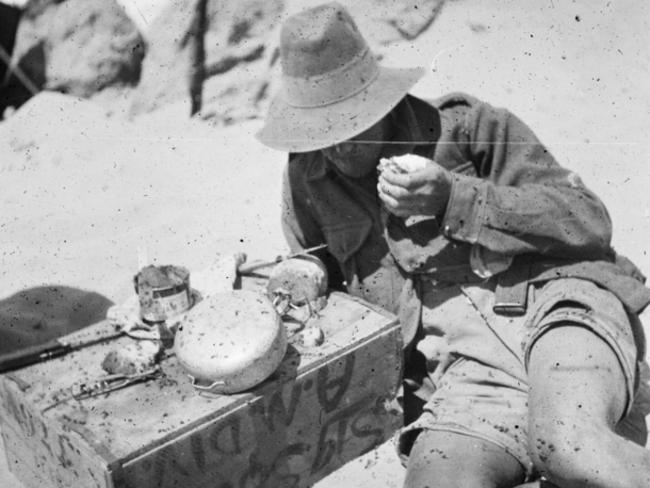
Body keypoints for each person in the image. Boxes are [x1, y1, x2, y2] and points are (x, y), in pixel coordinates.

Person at [256, 3, 650, 487]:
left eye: (349, 126)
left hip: (557, 309)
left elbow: (588, 220)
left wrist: (455, 198)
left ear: (378, 101)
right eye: (321, 132)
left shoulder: (464, 127)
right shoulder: (308, 179)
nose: (337, 148)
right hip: (463, 373)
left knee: (570, 447)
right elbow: (314, 291)